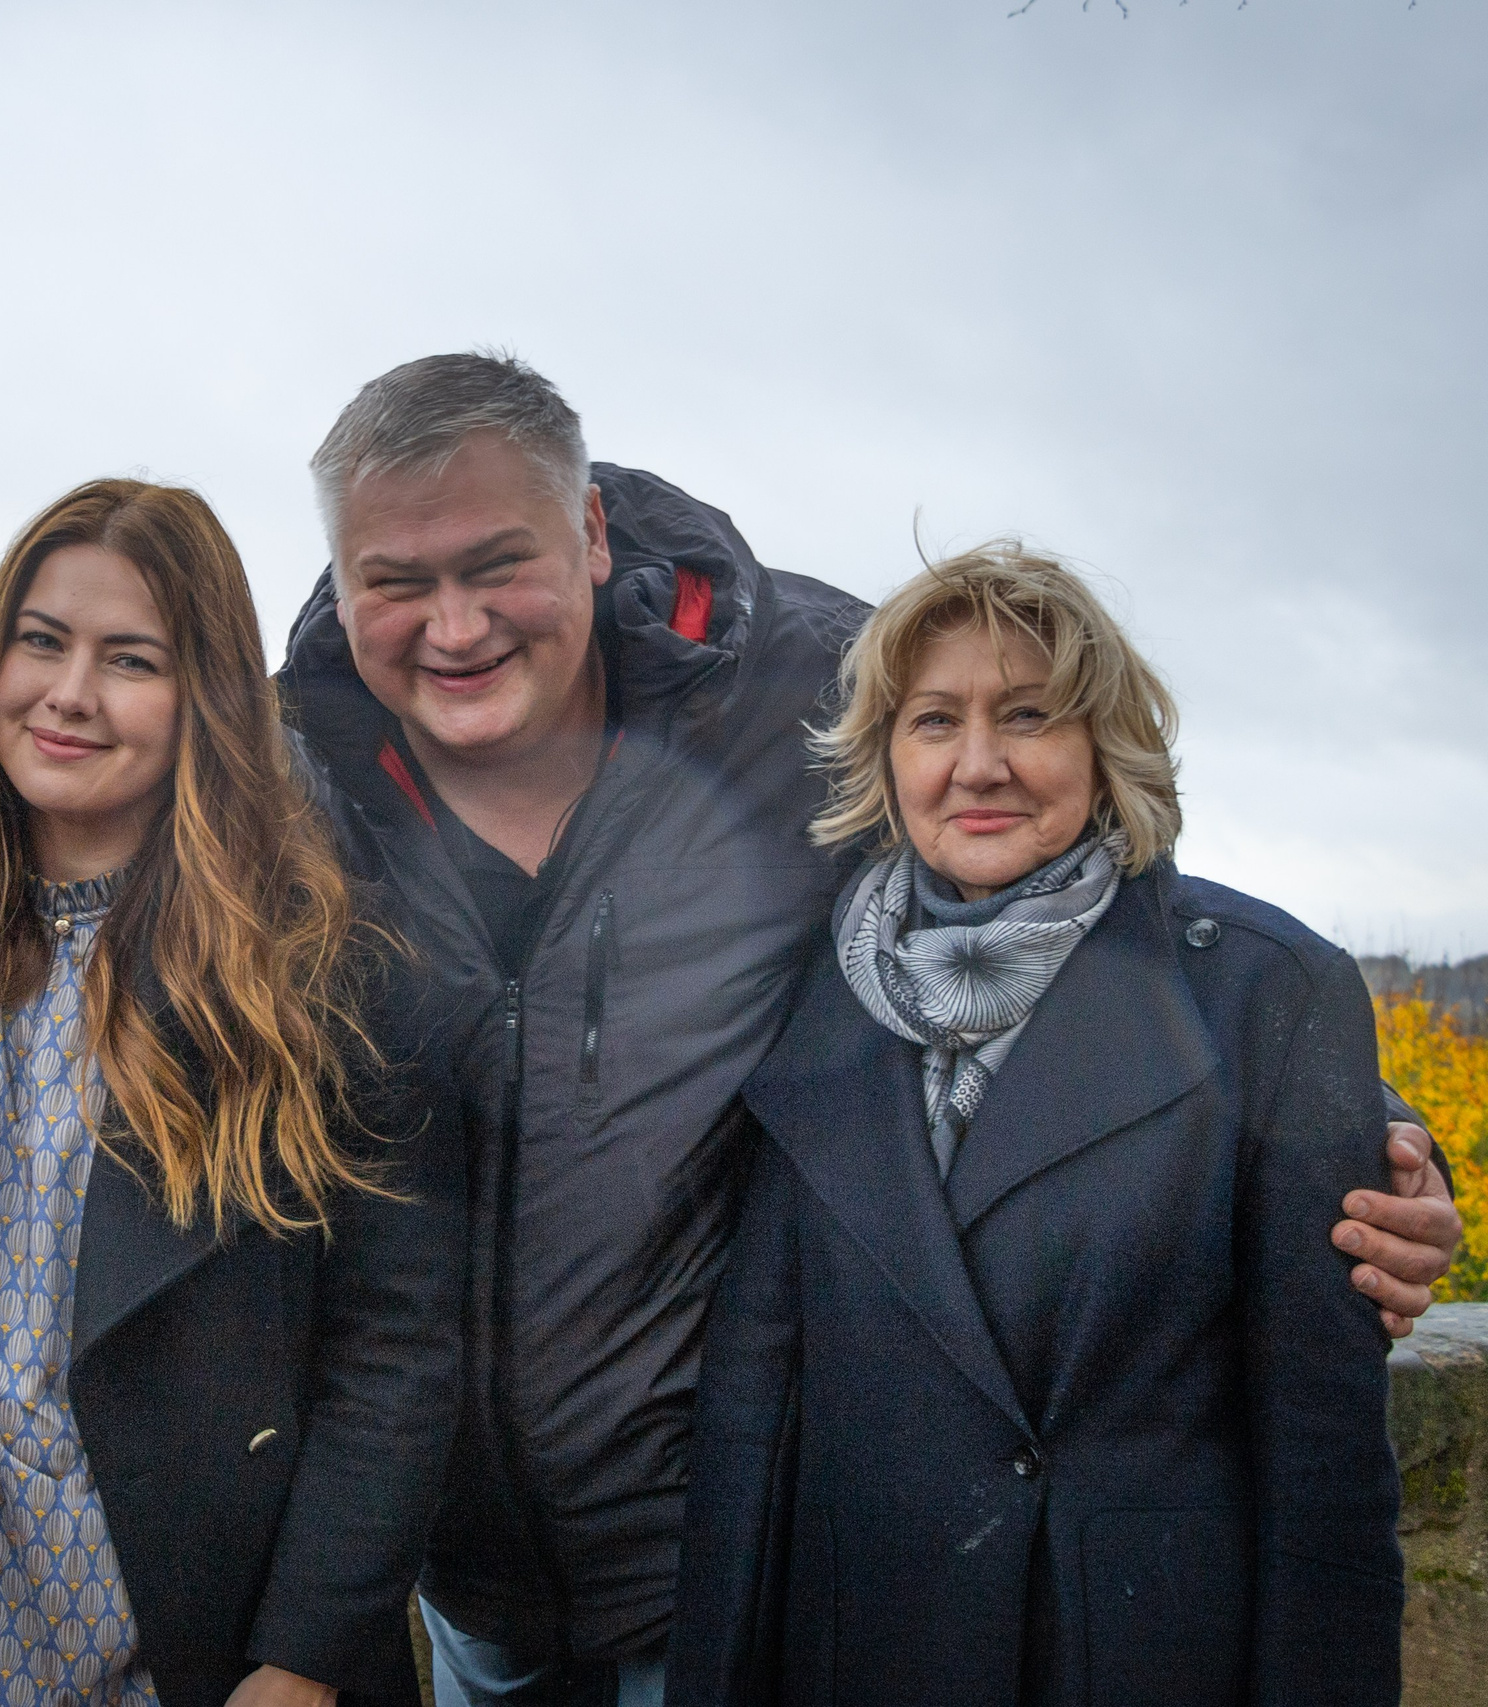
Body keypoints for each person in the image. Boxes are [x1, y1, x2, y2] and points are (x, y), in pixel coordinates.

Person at [270, 352, 1458, 1707]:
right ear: (341, 577)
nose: (456, 624)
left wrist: (1366, 1144)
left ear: (590, 532)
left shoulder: (796, 681)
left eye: (497, 564)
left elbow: (1093, 902)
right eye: (398, 581)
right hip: (456, 1581)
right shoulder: (284, 772)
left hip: (731, 1556)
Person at [0, 479, 465, 1707]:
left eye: (130, 659)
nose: (69, 693)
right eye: (42, 641)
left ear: (205, 698)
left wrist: (302, 1662)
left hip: (220, 1662)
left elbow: (395, 1351)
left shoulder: (328, 971)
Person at [667, 543, 1404, 1705]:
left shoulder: (1265, 990)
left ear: (1105, 747)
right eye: (933, 721)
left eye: (1026, 715)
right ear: (883, 755)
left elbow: (1324, 1457)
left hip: (1134, 1653)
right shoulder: (808, 991)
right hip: (866, 1648)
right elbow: (751, 1407)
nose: (978, 765)